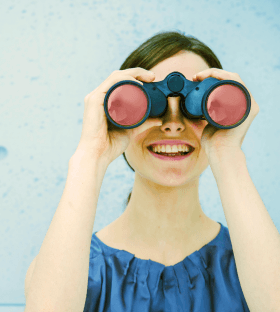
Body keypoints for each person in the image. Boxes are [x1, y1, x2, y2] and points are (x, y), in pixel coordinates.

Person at [25, 30, 266, 311]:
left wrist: (229, 155)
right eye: (152, 105)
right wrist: (90, 155)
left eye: (196, 108)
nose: (173, 124)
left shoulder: (267, 264)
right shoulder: (65, 273)